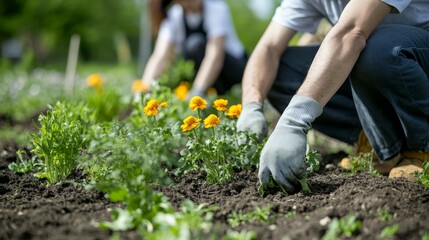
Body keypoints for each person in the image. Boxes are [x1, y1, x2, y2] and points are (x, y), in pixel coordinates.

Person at [237, 0, 429, 193]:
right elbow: (268, 48)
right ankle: (378, 142)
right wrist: (251, 106)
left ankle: (422, 147)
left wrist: (293, 121)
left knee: (374, 48)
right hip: (379, 60)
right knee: (282, 69)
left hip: (417, 59)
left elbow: (353, 31)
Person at [141, 0, 247, 98]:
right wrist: (143, 90)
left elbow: (215, 55)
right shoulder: (174, 15)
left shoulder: (216, 8)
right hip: (209, 74)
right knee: (185, 56)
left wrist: (197, 92)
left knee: (195, 45)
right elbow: (160, 55)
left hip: (235, 68)